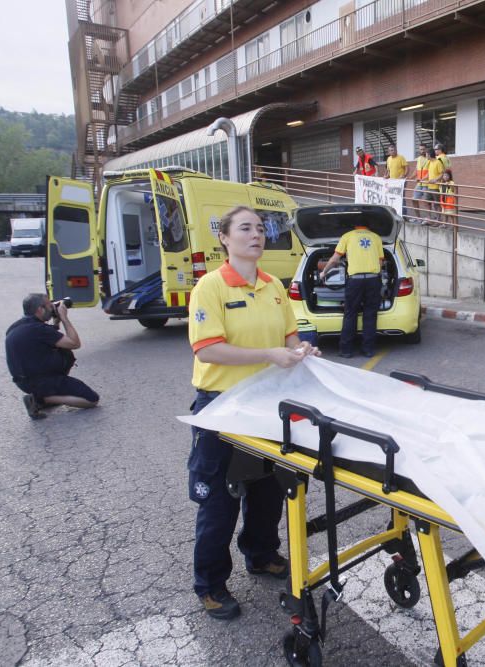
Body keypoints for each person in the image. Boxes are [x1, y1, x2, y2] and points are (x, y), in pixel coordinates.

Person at [187, 205, 319, 620]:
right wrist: (268, 354)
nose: (256, 235)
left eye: (261, 229)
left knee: (268, 490)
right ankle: (210, 584)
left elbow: (289, 336)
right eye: (245, 228)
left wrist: (300, 352)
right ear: (224, 238)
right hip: (223, 406)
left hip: (267, 404)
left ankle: (260, 554)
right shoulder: (210, 287)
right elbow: (207, 348)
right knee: (220, 501)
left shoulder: (273, 286)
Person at [5, 293, 99, 419]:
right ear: (40, 309)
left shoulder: (16, 327)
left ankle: (43, 397)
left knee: (58, 350)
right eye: (50, 305)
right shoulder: (39, 329)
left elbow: (45, 341)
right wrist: (64, 318)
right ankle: (42, 399)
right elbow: (74, 343)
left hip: (24, 381)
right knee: (91, 399)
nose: (53, 308)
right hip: (42, 381)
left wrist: (56, 323)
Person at [320, 222, 385, 358]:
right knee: (370, 314)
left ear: (355, 225)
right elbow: (380, 262)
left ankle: (346, 351)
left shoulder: (347, 236)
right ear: (368, 226)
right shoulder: (376, 237)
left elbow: (334, 259)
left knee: (350, 314)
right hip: (373, 280)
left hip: (355, 280)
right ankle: (368, 350)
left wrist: (324, 272)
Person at [411, 143, 431, 224]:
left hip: (426, 183)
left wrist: (421, 179)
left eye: (423, 149)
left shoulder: (429, 158)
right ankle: (418, 218)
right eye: (420, 149)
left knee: (426, 202)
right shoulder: (419, 158)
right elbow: (416, 170)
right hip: (419, 184)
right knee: (413, 200)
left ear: (426, 149)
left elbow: (430, 172)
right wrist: (410, 177)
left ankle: (429, 218)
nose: (422, 151)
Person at [424, 147, 445, 225]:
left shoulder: (438, 162)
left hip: (436, 187)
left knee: (436, 204)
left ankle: (438, 220)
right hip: (429, 187)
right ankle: (429, 218)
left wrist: (435, 180)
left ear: (429, 155)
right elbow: (429, 173)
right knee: (426, 201)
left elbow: (442, 173)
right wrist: (422, 178)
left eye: (426, 154)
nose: (425, 156)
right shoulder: (430, 162)